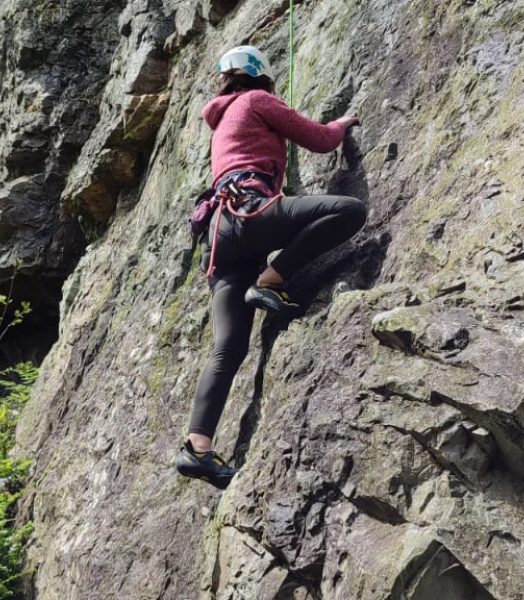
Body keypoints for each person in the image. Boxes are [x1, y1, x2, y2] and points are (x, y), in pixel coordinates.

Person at [176, 46, 366, 489]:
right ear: (260, 74)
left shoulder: (221, 117)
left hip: (220, 239)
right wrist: (341, 124)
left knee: (227, 349)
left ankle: (196, 448)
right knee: (348, 210)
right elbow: (320, 139)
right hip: (253, 215)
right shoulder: (258, 100)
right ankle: (272, 279)